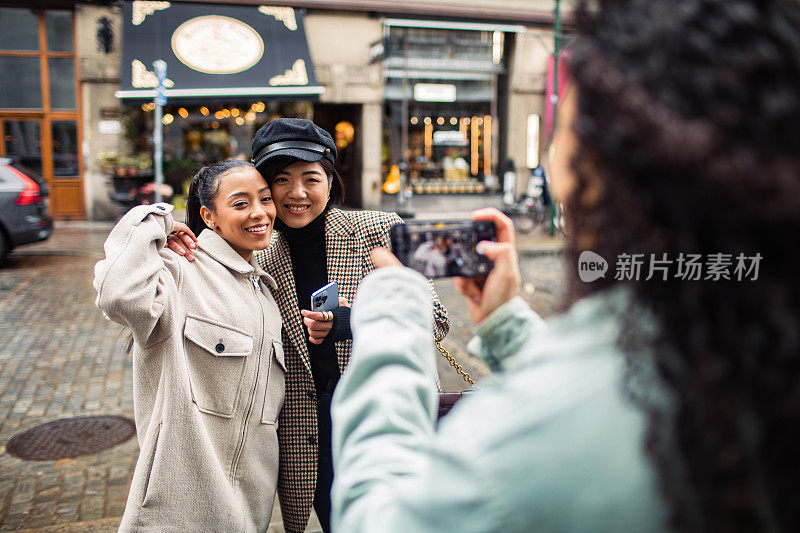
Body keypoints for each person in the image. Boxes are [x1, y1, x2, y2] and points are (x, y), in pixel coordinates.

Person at [330, 0, 800, 531]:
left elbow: (378, 516)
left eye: (564, 128)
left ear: (600, 166)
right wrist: (505, 323)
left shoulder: (527, 442)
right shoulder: (748, 330)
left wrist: (394, 308)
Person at [166, 118, 450, 533]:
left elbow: (437, 321)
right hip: (307, 435)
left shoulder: (377, 231)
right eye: (281, 180)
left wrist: (353, 320)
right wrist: (169, 236)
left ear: (330, 183)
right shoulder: (258, 254)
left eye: (310, 178)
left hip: (381, 418)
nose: (297, 193)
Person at [93, 160, 285, 531]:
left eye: (265, 200)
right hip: (180, 506)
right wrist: (154, 220)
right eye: (241, 203)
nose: (260, 213)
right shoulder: (181, 268)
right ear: (209, 217)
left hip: (252, 509)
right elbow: (117, 295)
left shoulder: (267, 293)